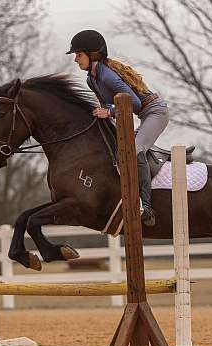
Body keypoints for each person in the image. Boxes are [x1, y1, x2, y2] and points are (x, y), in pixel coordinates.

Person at [66, 29, 169, 227]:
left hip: (156, 112)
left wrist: (109, 112)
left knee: (135, 150)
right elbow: (107, 107)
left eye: (78, 55)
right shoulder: (92, 79)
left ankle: (146, 207)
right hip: (143, 115)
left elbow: (135, 104)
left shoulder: (106, 76)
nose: (76, 60)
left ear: (92, 54)